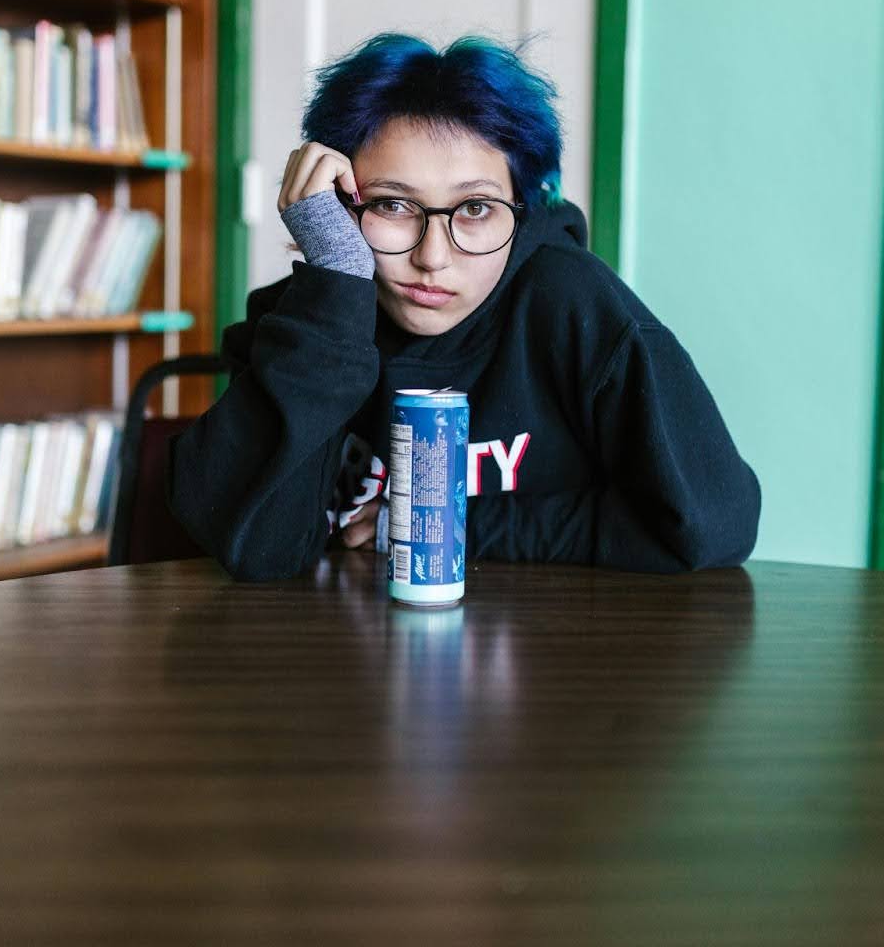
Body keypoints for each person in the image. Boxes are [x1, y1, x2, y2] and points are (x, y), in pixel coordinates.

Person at [170, 32, 760, 581]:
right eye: (393, 206)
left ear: (522, 208)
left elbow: (711, 524)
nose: (433, 257)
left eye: (475, 209)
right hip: (339, 671)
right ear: (339, 203)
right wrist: (334, 288)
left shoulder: (571, 303)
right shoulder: (307, 317)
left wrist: (442, 528)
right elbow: (253, 551)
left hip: (552, 667)